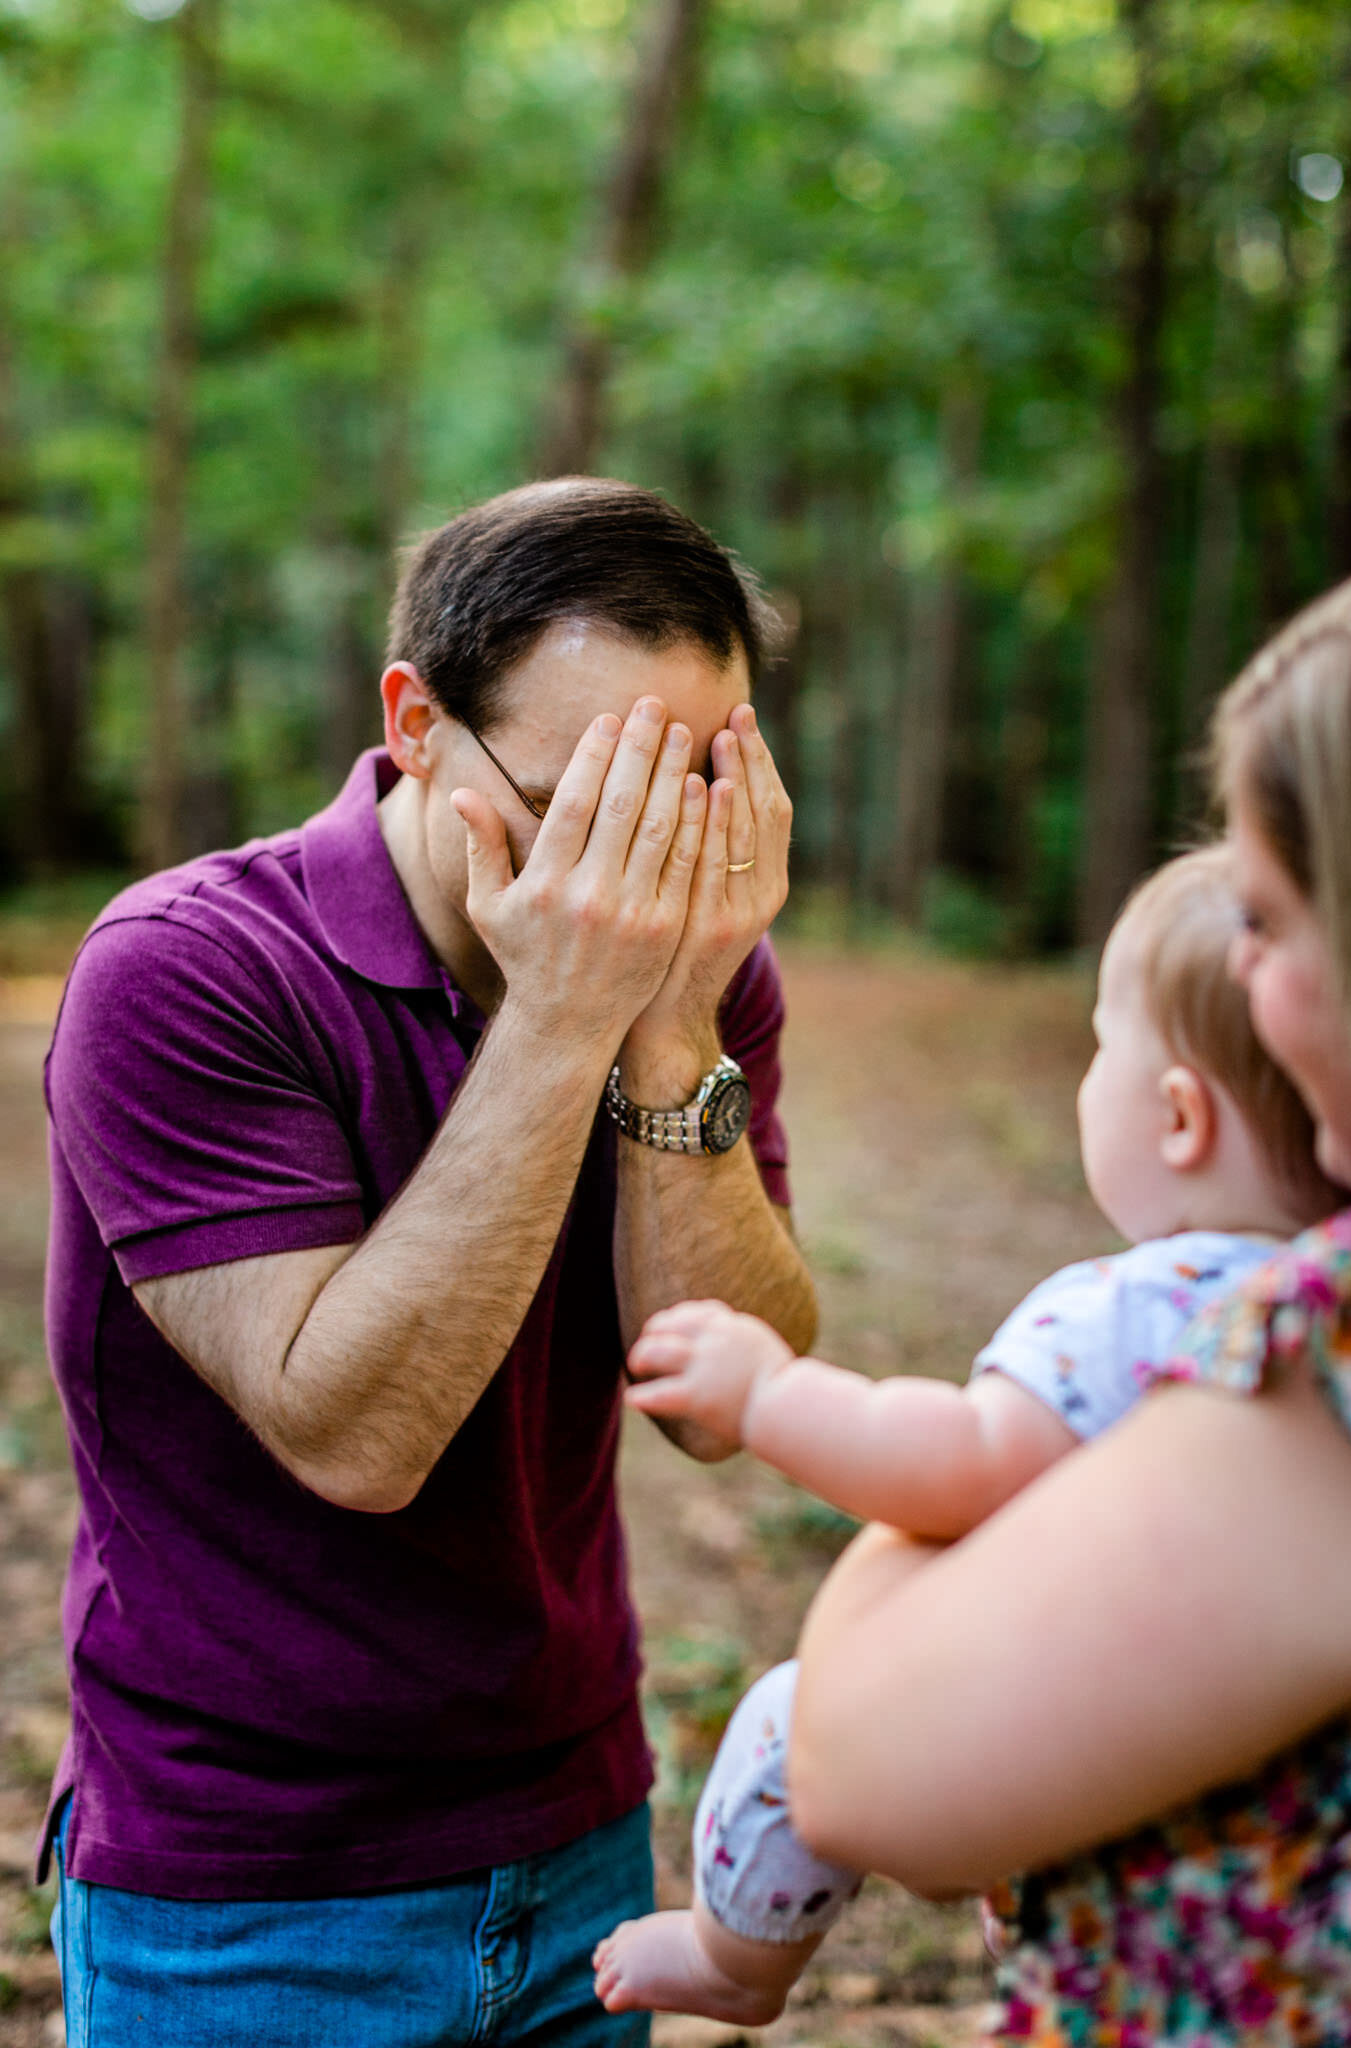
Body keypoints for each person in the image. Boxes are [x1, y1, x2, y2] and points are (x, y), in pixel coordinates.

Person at [38, 477, 818, 2048]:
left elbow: (723, 1399)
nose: (632, 873)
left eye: (689, 799)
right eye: (576, 804)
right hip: (246, 1894)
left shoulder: (698, 976)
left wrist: (664, 1020)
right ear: (414, 722)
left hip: (579, 1835)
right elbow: (358, 1433)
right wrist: (563, 1017)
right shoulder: (185, 971)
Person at [592, 843, 1341, 2028]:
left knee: (790, 1716)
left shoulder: (1136, 1307)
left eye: (1101, 1046)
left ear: (1180, 1117)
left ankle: (738, 1956)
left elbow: (961, 1461)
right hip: (1243, 1817)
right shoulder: (1322, 1312)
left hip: (1065, 1705)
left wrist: (770, 1395)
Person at [779, 571, 1351, 2043]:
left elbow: (856, 1764)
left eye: (1275, 926)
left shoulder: (1330, 1372)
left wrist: (965, 1500)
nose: (1259, 992)